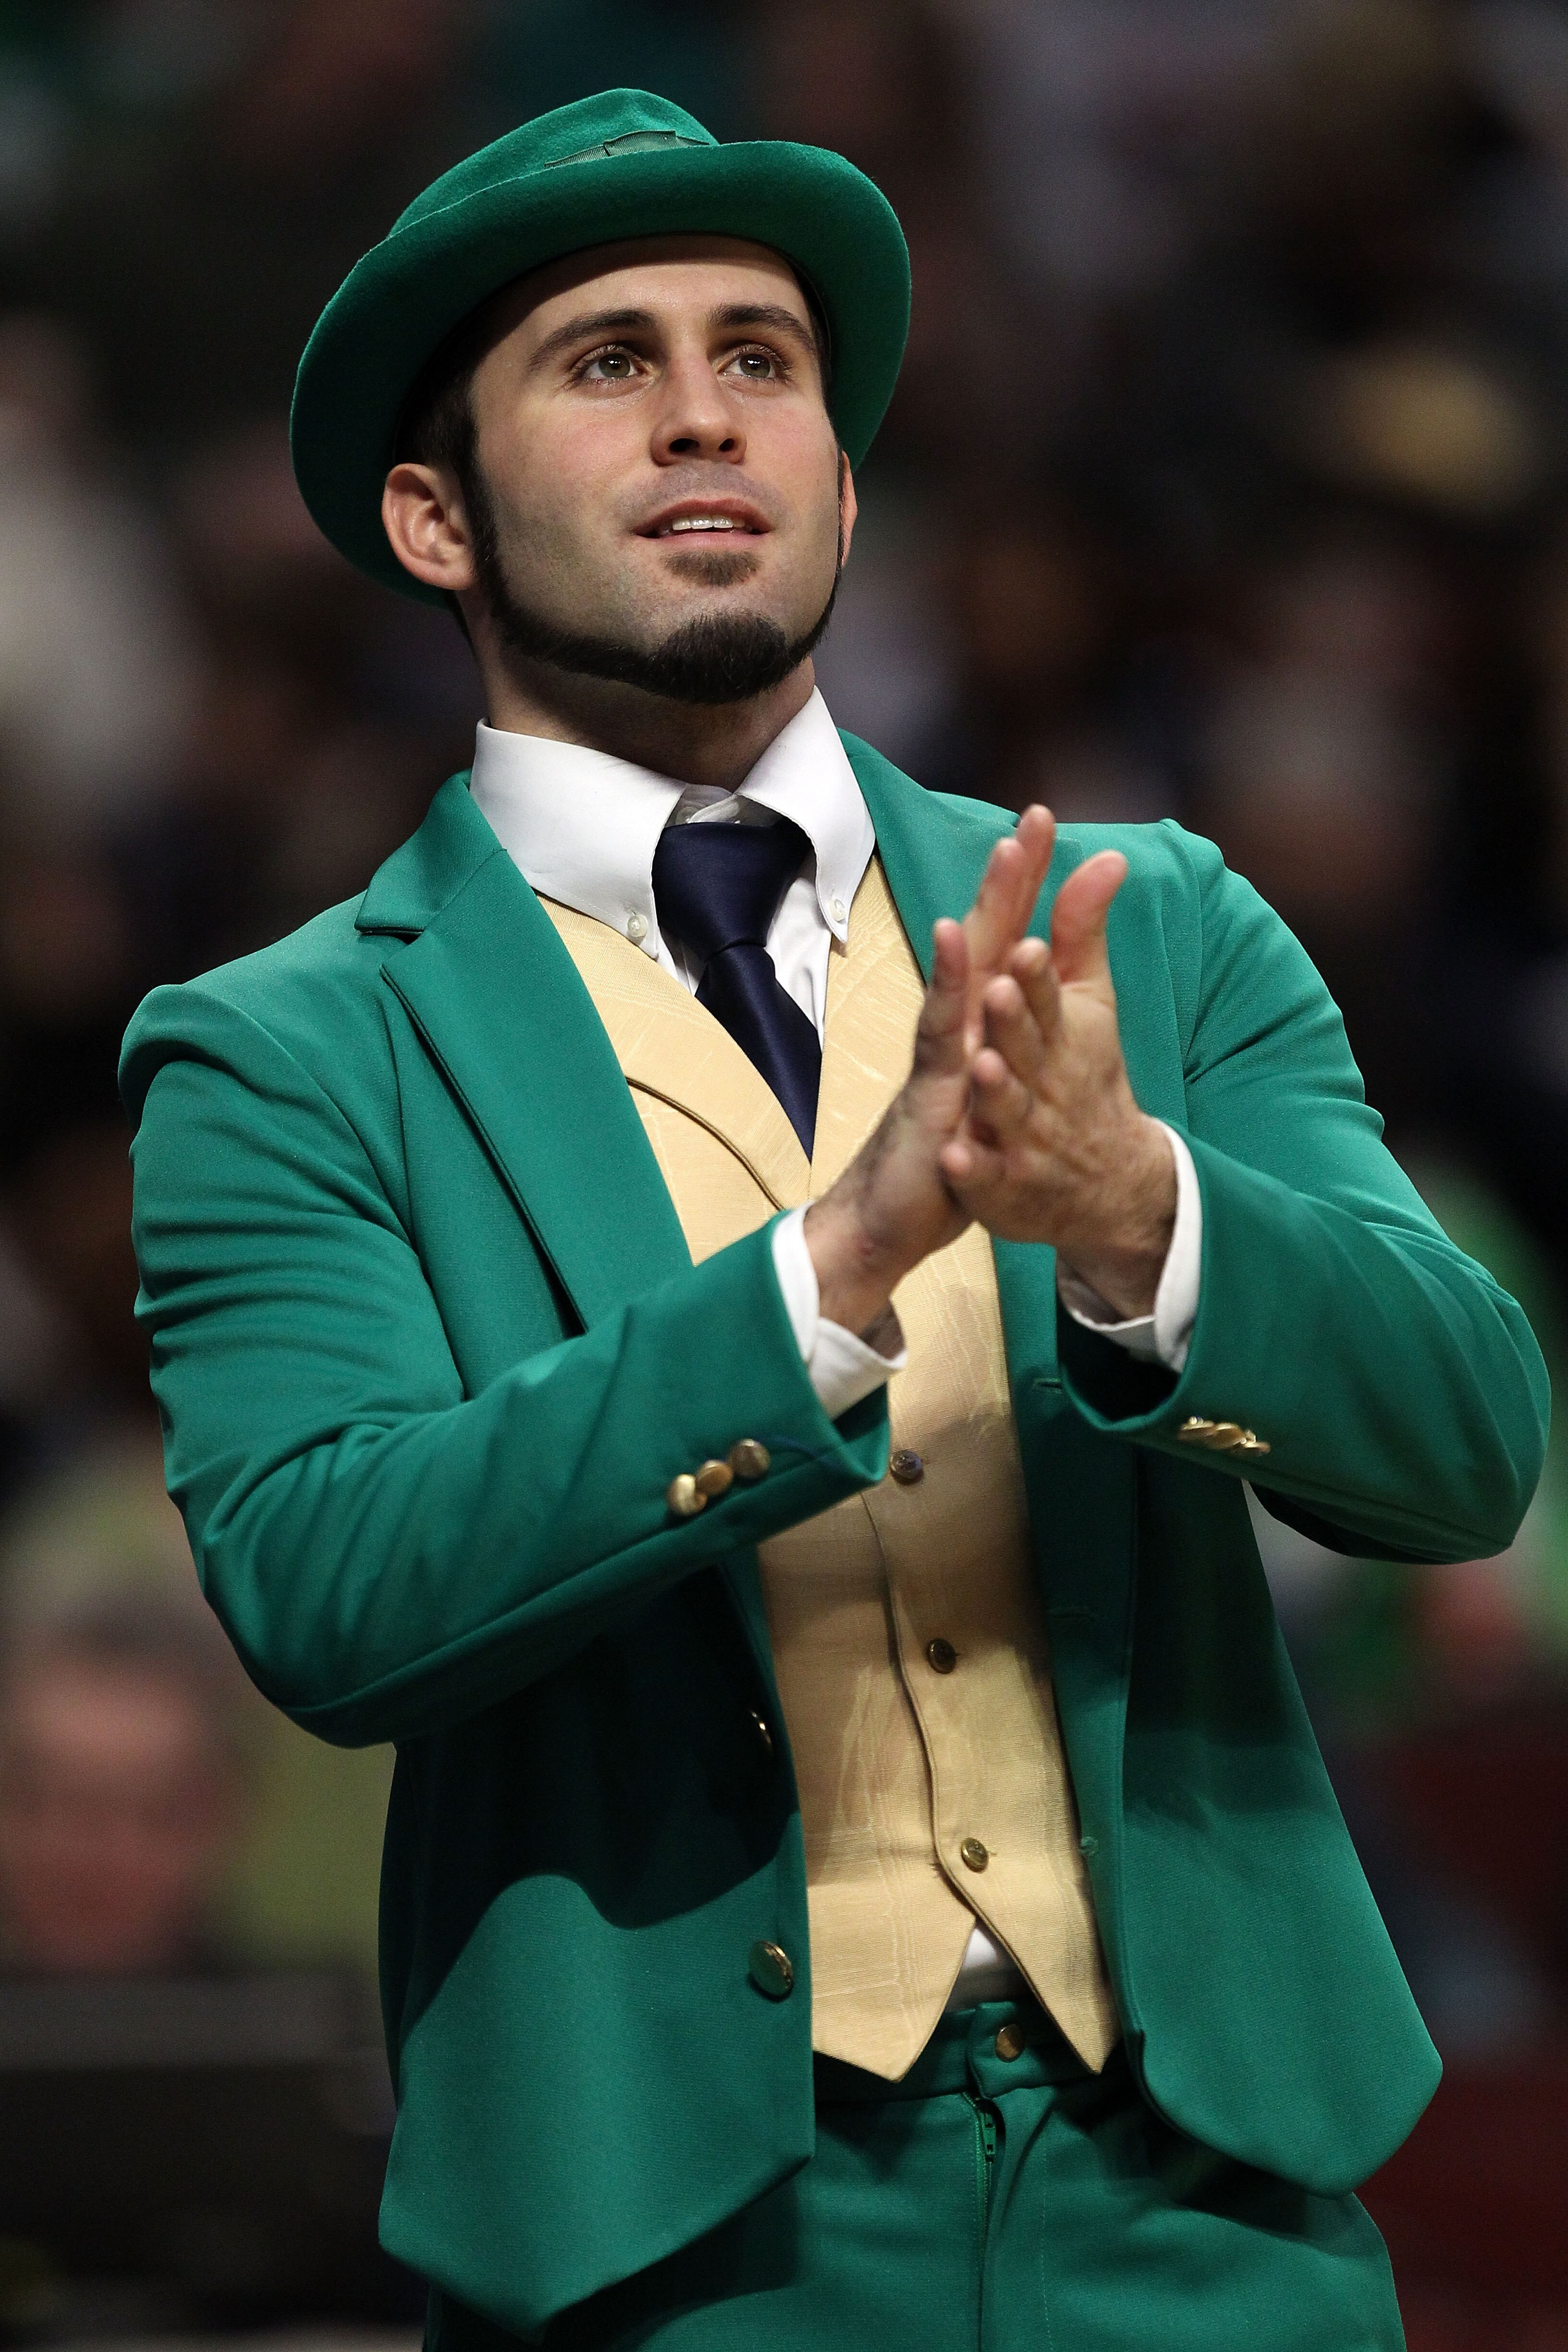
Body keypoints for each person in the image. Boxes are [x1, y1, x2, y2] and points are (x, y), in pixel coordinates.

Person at [119, 89, 1549, 2351]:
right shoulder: (285, 1051)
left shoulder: (1144, 924)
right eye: (605, 360)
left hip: (1209, 2199)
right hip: (684, 2235)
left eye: (762, 357)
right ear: (434, 514)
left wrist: (1134, 1217)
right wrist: (830, 1266)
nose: (706, 410)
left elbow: (1472, 1441)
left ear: (844, 484)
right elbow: (330, 1585)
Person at [0, 1597, 247, 1975]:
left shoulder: (308, 2023)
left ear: (218, 1816)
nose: (84, 1856)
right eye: (43, 1801)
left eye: (148, 1812)